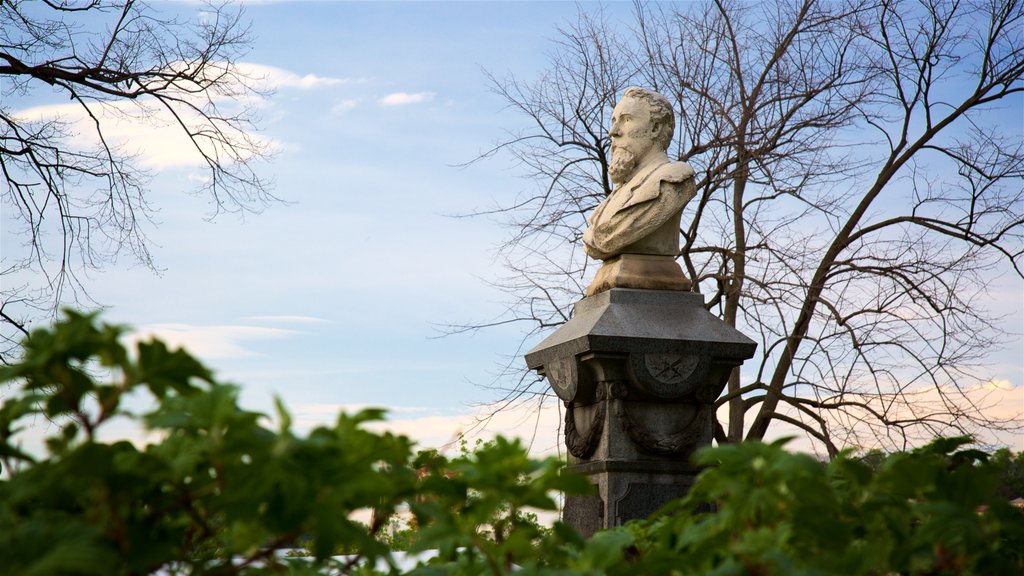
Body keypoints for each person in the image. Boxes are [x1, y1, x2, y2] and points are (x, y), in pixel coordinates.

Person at [582, 88, 696, 295]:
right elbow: (598, 237)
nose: (613, 131)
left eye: (626, 120)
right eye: (613, 120)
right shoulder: (617, 195)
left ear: (655, 128)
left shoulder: (673, 180)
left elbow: (604, 237)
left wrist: (599, 236)